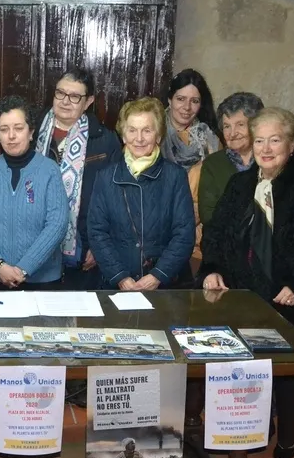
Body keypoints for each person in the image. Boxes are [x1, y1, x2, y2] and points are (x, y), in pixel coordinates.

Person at [200, 107, 294, 458]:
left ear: (292, 144)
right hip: (243, 296)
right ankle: (253, 426)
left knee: (291, 375)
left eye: (274, 140)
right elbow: (216, 233)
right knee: (246, 368)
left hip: (292, 299)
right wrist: (212, 269)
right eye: (259, 140)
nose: (265, 148)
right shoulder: (240, 185)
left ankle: (289, 438)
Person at [88, 97, 196, 291]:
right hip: (116, 287)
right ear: (123, 136)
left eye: (147, 130)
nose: (139, 138)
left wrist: (157, 276)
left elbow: (184, 234)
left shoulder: (175, 176)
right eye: (132, 130)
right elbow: (97, 233)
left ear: (158, 136)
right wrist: (121, 277)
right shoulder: (105, 177)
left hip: (165, 287)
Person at [0, 95, 68, 290]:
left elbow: (57, 224)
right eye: (4, 129)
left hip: (41, 279)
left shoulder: (49, 170)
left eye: (18, 128)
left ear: (31, 132)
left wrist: (24, 268)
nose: (11, 136)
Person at [34, 67, 121, 290]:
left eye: (75, 97)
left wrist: (99, 245)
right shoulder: (31, 131)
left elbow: (115, 199)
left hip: (83, 245)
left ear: (88, 101)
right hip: (33, 243)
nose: (65, 101)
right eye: (60, 93)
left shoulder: (104, 140)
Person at [159, 69, 221, 263]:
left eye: (194, 101)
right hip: (156, 232)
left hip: (197, 239)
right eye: (181, 99)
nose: (187, 107)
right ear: (169, 99)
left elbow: (218, 192)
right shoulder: (151, 132)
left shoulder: (211, 140)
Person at [198, 92, 265, 228]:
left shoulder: (269, 160)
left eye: (240, 124)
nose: (232, 133)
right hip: (226, 237)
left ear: (256, 126)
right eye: (227, 126)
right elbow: (208, 215)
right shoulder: (213, 164)